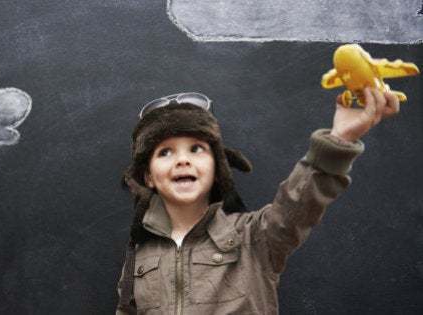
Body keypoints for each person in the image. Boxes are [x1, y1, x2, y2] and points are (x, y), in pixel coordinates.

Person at [116, 87, 400, 314]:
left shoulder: (255, 237)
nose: (182, 160)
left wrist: (340, 138)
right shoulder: (140, 252)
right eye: (165, 152)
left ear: (218, 167)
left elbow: (298, 203)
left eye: (196, 148)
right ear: (149, 176)